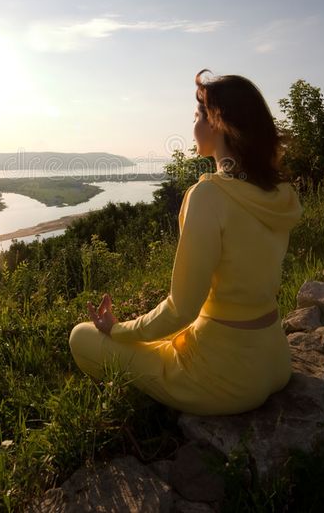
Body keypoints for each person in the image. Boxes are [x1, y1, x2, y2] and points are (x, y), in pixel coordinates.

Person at [69, 70, 302, 416]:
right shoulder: (279, 194)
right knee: (165, 339)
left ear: (218, 124)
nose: (193, 125)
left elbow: (182, 309)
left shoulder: (209, 195)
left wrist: (117, 329)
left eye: (197, 116)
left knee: (81, 337)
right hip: (275, 359)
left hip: (225, 379)